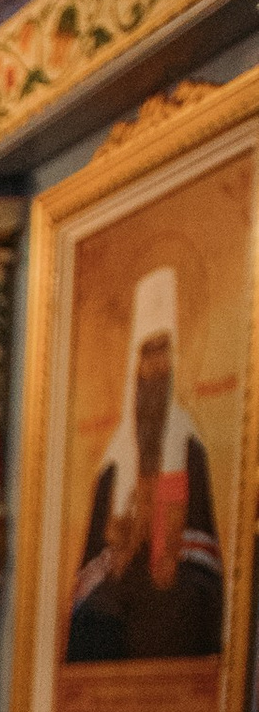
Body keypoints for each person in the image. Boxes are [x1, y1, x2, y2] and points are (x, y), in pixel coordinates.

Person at [64, 265, 226, 666]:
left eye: (162, 352)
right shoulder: (114, 461)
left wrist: (174, 555)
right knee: (91, 615)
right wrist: (116, 557)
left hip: (177, 576)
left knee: (185, 607)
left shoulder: (188, 441)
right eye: (147, 355)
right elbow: (94, 554)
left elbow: (203, 535)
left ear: (174, 358)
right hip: (122, 582)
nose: (155, 365)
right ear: (135, 366)